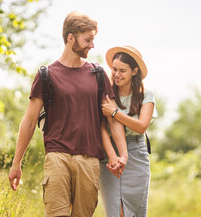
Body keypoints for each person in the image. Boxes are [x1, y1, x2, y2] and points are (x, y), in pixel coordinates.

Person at [8, 11, 128, 217]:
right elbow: (28, 121)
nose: (92, 45)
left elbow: (113, 120)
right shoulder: (47, 75)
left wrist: (120, 155)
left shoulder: (98, 74)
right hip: (57, 157)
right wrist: (16, 162)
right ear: (70, 38)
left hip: (89, 159)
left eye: (93, 39)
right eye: (88, 40)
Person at [100, 45, 156, 217]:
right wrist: (111, 154)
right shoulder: (106, 94)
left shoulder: (146, 95)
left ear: (134, 71)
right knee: (115, 211)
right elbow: (101, 128)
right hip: (109, 154)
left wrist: (115, 113)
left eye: (122, 70)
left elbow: (141, 126)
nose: (117, 74)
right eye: (114, 69)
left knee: (135, 212)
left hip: (136, 154)